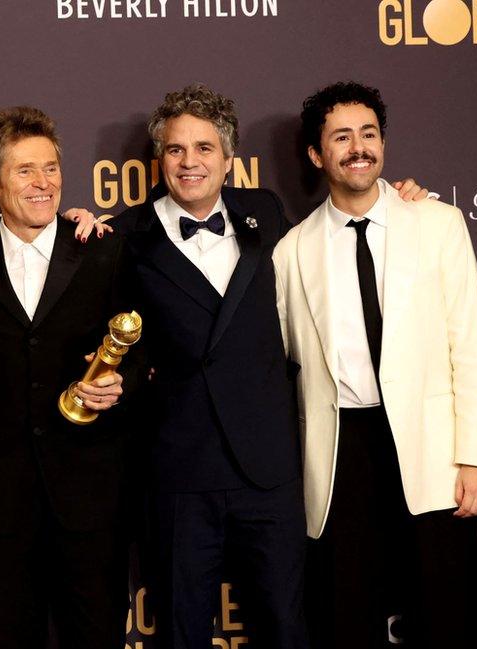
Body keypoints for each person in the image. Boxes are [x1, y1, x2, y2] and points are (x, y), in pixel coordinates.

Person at [273, 81, 477, 649]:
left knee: (447, 612)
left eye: (369, 134)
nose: (358, 148)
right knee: (346, 616)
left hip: (432, 450)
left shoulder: (438, 225)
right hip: (341, 453)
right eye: (341, 136)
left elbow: (468, 349)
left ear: (384, 144)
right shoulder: (291, 250)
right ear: (316, 154)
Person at [0, 106, 142, 649]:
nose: (43, 183)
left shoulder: (103, 249)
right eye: (25, 170)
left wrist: (122, 385)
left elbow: (145, 347)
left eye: (50, 168)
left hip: (91, 493)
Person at [108, 83, 308, 649]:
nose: (190, 162)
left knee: (285, 628)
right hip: (178, 471)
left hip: (267, 469)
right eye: (175, 150)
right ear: (159, 160)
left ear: (228, 159)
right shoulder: (123, 237)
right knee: (180, 633)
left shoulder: (267, 212)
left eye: (203, 148)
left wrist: (404, 196)